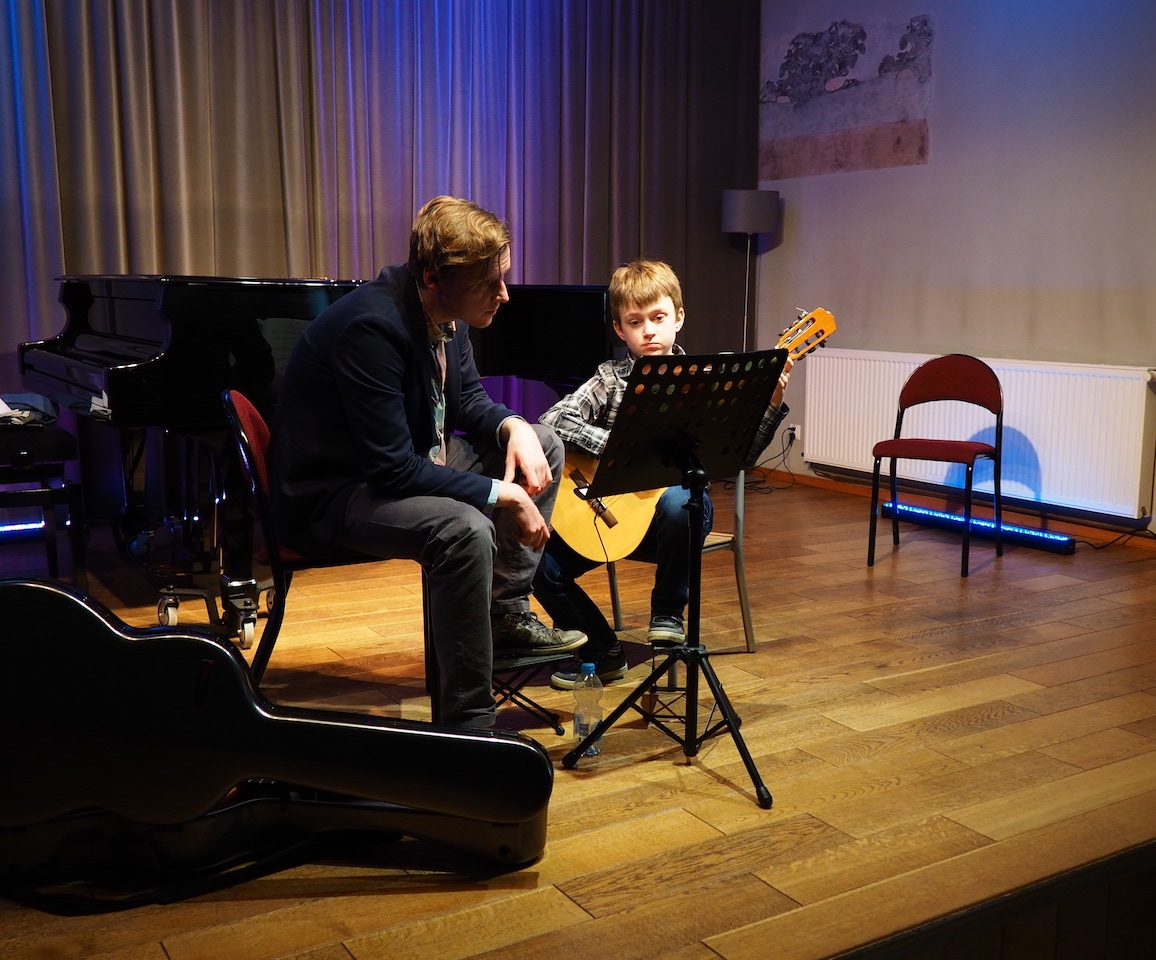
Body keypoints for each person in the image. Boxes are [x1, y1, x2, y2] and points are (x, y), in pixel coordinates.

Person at [269, 195, 585, 729]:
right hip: (335, 492)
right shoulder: (372, 328)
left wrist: (514, 426)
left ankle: (504, 616)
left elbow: (469, 401)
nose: (504, 294)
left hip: (407, 459)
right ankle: (469, 723)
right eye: (490, 283)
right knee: (463, 530)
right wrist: (503, 493)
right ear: (436, 278)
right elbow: (392, 470)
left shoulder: (447, 313)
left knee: (544, 441)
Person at [533, 259, 791, 689]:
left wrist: (772, 402)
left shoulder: (708, 381)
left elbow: (740, 456)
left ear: (679, 317)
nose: (649, 331)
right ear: (620, 329)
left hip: (677, 526)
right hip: (612, 518)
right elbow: (553, 419)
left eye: (658, 318)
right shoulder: (611, 379)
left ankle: (668, 613)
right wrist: (621, 447)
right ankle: (601, 650)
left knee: (678, 500)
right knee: (538, 563)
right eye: (636, 322)